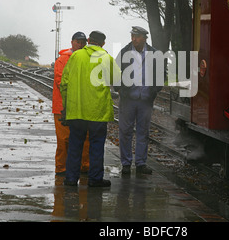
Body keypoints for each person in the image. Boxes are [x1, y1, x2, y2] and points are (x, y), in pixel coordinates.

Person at [60, 30, 121, 187]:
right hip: (98, 111)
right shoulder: (106, 58)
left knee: (75, 145)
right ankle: (95, 179)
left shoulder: (75, 56)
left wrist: (66, 106)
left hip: (77, 110)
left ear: (88, 40)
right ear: (103, 43)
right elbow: (118, 80)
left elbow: (64, 83)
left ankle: (71, 179)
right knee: (96, 145)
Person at [115, 26, 164, 175]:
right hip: (128, 99)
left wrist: (155, 90)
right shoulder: (124, 52)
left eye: (136, 36)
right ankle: (126, 164)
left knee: (143, 132)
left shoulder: (155, 54)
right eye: (132, 36)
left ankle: (141, 163)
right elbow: (116, 73)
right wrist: (120, 90)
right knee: (125, 131)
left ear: (144, 38)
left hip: (145, 100)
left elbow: (161, 74)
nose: (134, 39)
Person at [52, 31, 89, 176]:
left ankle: (84, 166)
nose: (80, 45)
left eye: (82, 42)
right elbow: (60, 81)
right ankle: (61, 168)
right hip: (62, 106)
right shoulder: (62, 60)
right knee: (63, 140)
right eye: (78, 42)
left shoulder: (85, 58)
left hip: (80, 106)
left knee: (85, 138)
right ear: (72, 42)